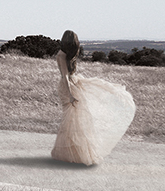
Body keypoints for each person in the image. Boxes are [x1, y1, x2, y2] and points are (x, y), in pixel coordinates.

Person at [51, 30, 136, 165]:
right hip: (67, 87)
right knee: (71, 118)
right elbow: (65, 76)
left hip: (73, 84)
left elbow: (68, 75)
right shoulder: (62, 55)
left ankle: (75, 151)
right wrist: (70, 94)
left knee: (77, 118)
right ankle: (71, 152)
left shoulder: (65, 54)